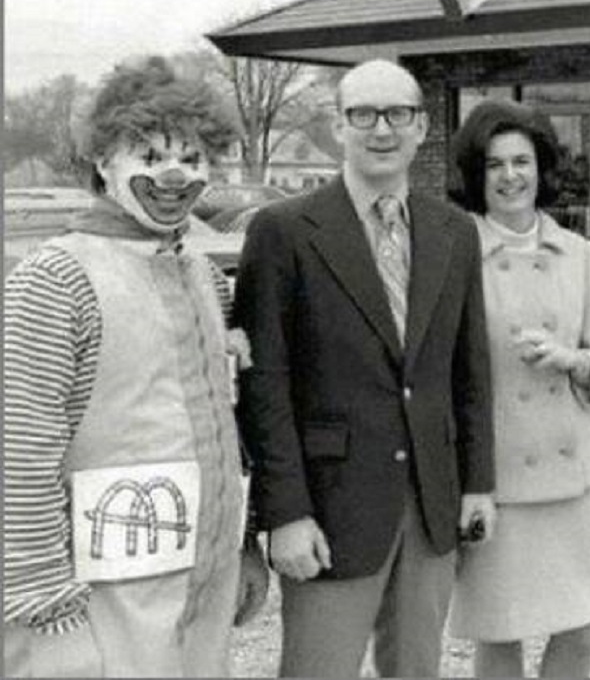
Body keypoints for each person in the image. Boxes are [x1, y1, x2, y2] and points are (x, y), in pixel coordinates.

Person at [2, 56, 269, 677]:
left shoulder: (205, 275)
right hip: (97, 613)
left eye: (193, 157)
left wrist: (243, 545)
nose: (174, 173)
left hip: (196, 596)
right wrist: (49, 618)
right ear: (102, 161)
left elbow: (228, 431)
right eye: (148, 156)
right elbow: (17, 460)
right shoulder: (55, 277)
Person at [233, 58, 496, 678]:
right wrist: (285, 514)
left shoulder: (454, 230)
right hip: (329, 508)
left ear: (423, 126)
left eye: (398, 114)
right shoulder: (284, 231)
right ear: (339, 125)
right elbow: (263, 385)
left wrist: (478, 481)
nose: (382, 129)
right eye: (364, 115)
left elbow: (470, 369)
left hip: (432, 502)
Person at [446, 100, 590, 678]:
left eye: (521, 161)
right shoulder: (454, 254)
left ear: (541, 166)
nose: (510, 177)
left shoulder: (578, 253)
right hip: (495, 477)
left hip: (575, 475)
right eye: (494, 164)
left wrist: (573, 360)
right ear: (476, 176)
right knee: (501, 631)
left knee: (582, 626)